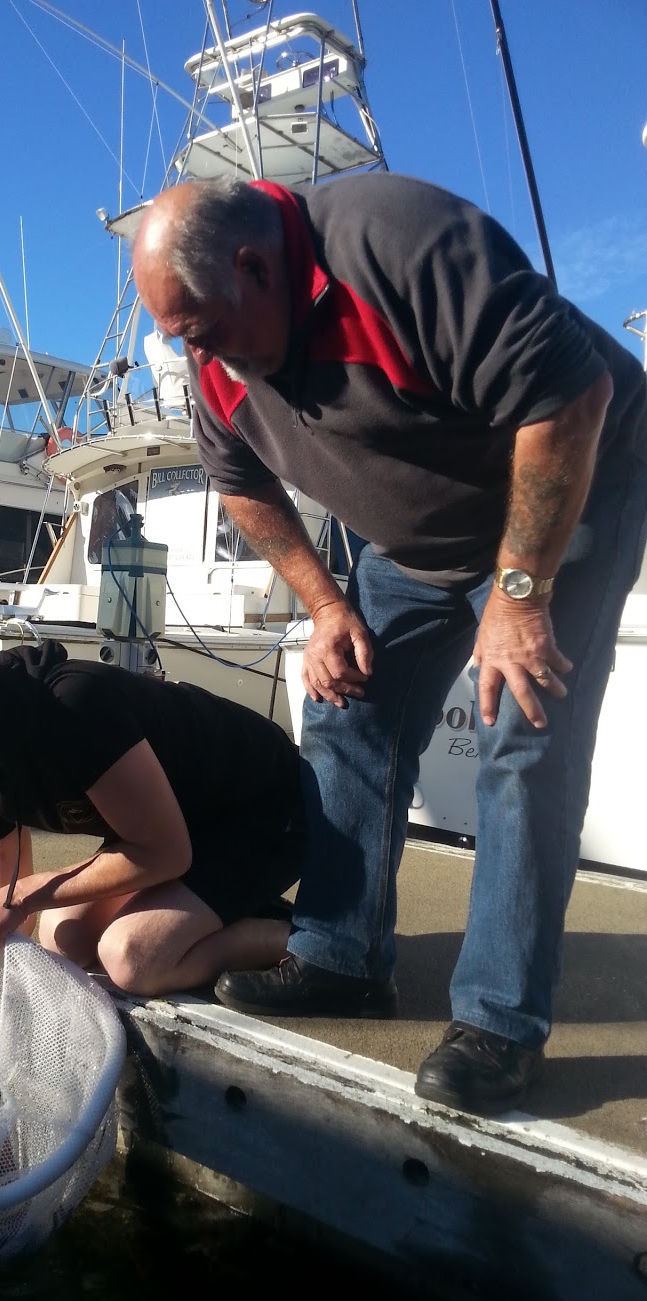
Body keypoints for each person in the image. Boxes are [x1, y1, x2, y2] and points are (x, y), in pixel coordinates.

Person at [131, 173, 647, 1116]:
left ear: (255, 267)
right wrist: (328, 607)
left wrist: (521, 595)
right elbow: (240, 483)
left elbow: (574, 395)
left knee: (519, 722)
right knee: (346, 699)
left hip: (569, 477)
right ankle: (340, 955)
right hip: (421, 537)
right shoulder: (216, 363)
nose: (184, 348)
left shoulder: (396, 243)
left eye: (194, 325)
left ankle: (499, 1022)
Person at [0, 635, 305, 1069]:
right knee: (62, 936)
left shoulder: (75, 708)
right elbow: (2, 918)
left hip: (264, 807)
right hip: (176, 824)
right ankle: (221, 910)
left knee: (133, 958)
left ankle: (305, 942)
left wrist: (28, 893)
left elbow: (167, 854)